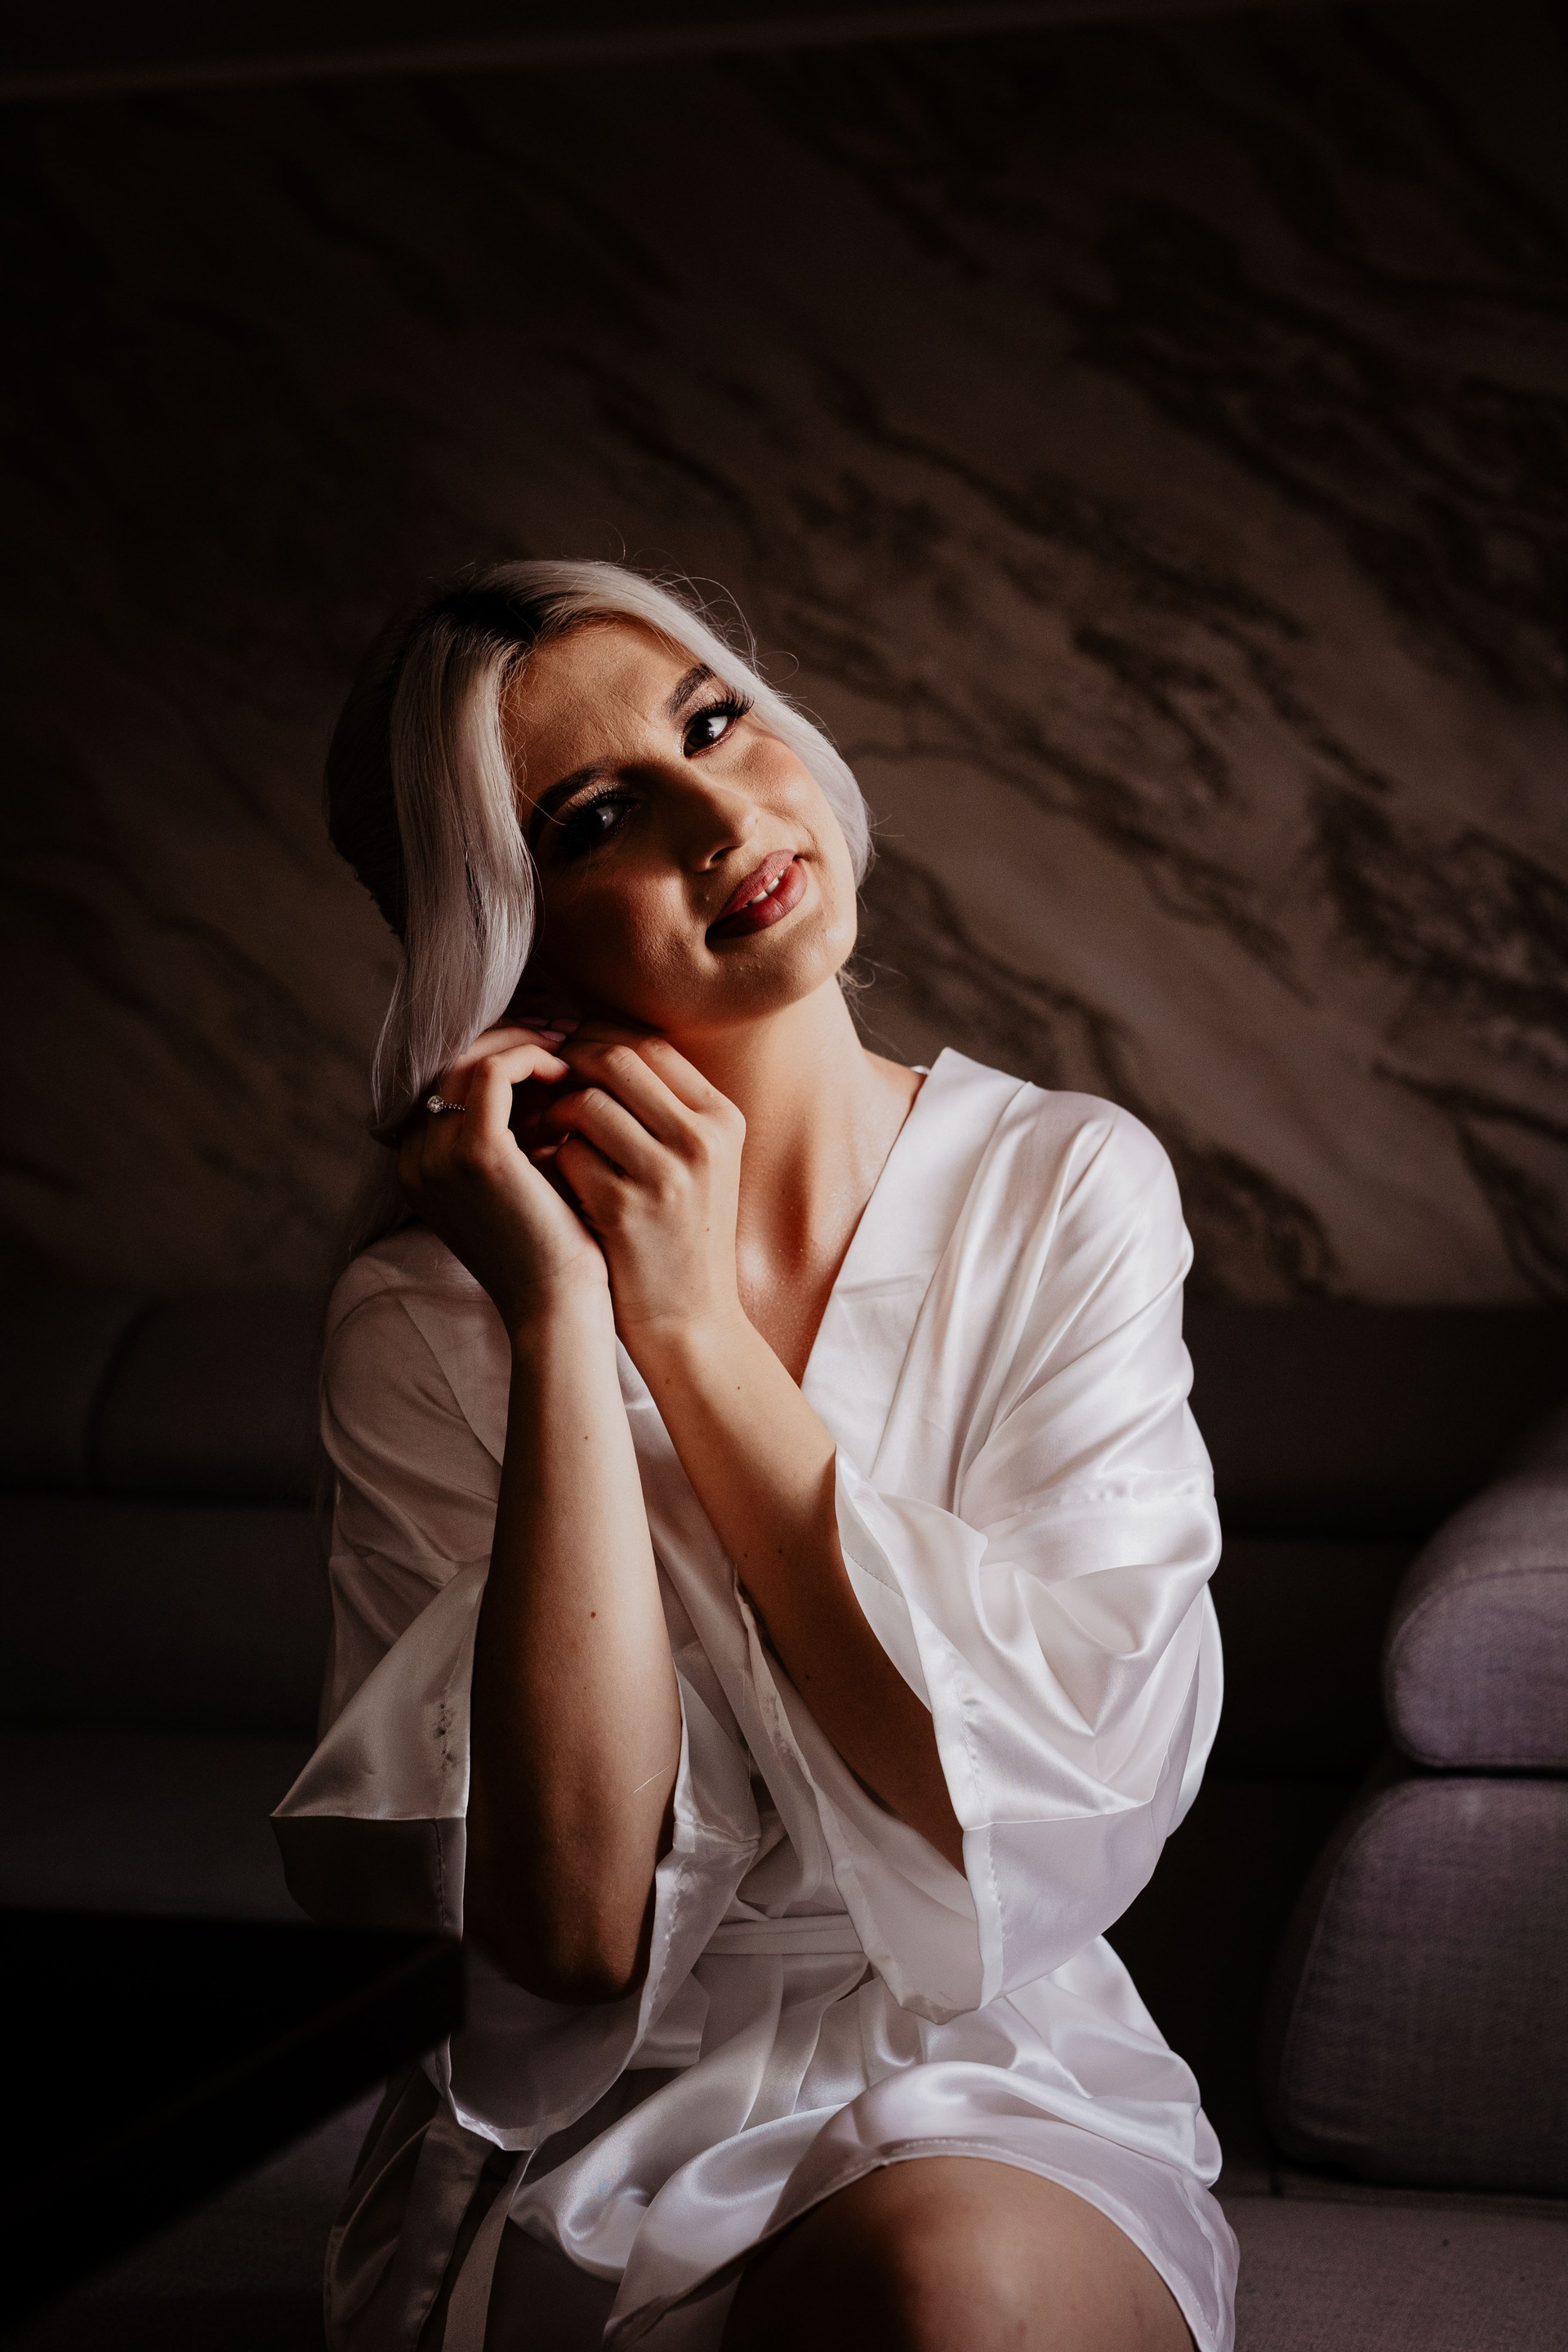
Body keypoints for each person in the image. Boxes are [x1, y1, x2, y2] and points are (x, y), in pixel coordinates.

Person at [274, 560, 1236, 2352]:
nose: (723, 820)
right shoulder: (429, 1319)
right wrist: (566, 1319)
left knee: (942, 2285)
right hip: (592, 2117)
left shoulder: (1064, 1188)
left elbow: (1038, 1806)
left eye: (715, 724)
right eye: (597, 819)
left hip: (993, 2074)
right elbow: (567, 1934)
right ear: (508, 933)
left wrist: (694, 1331)